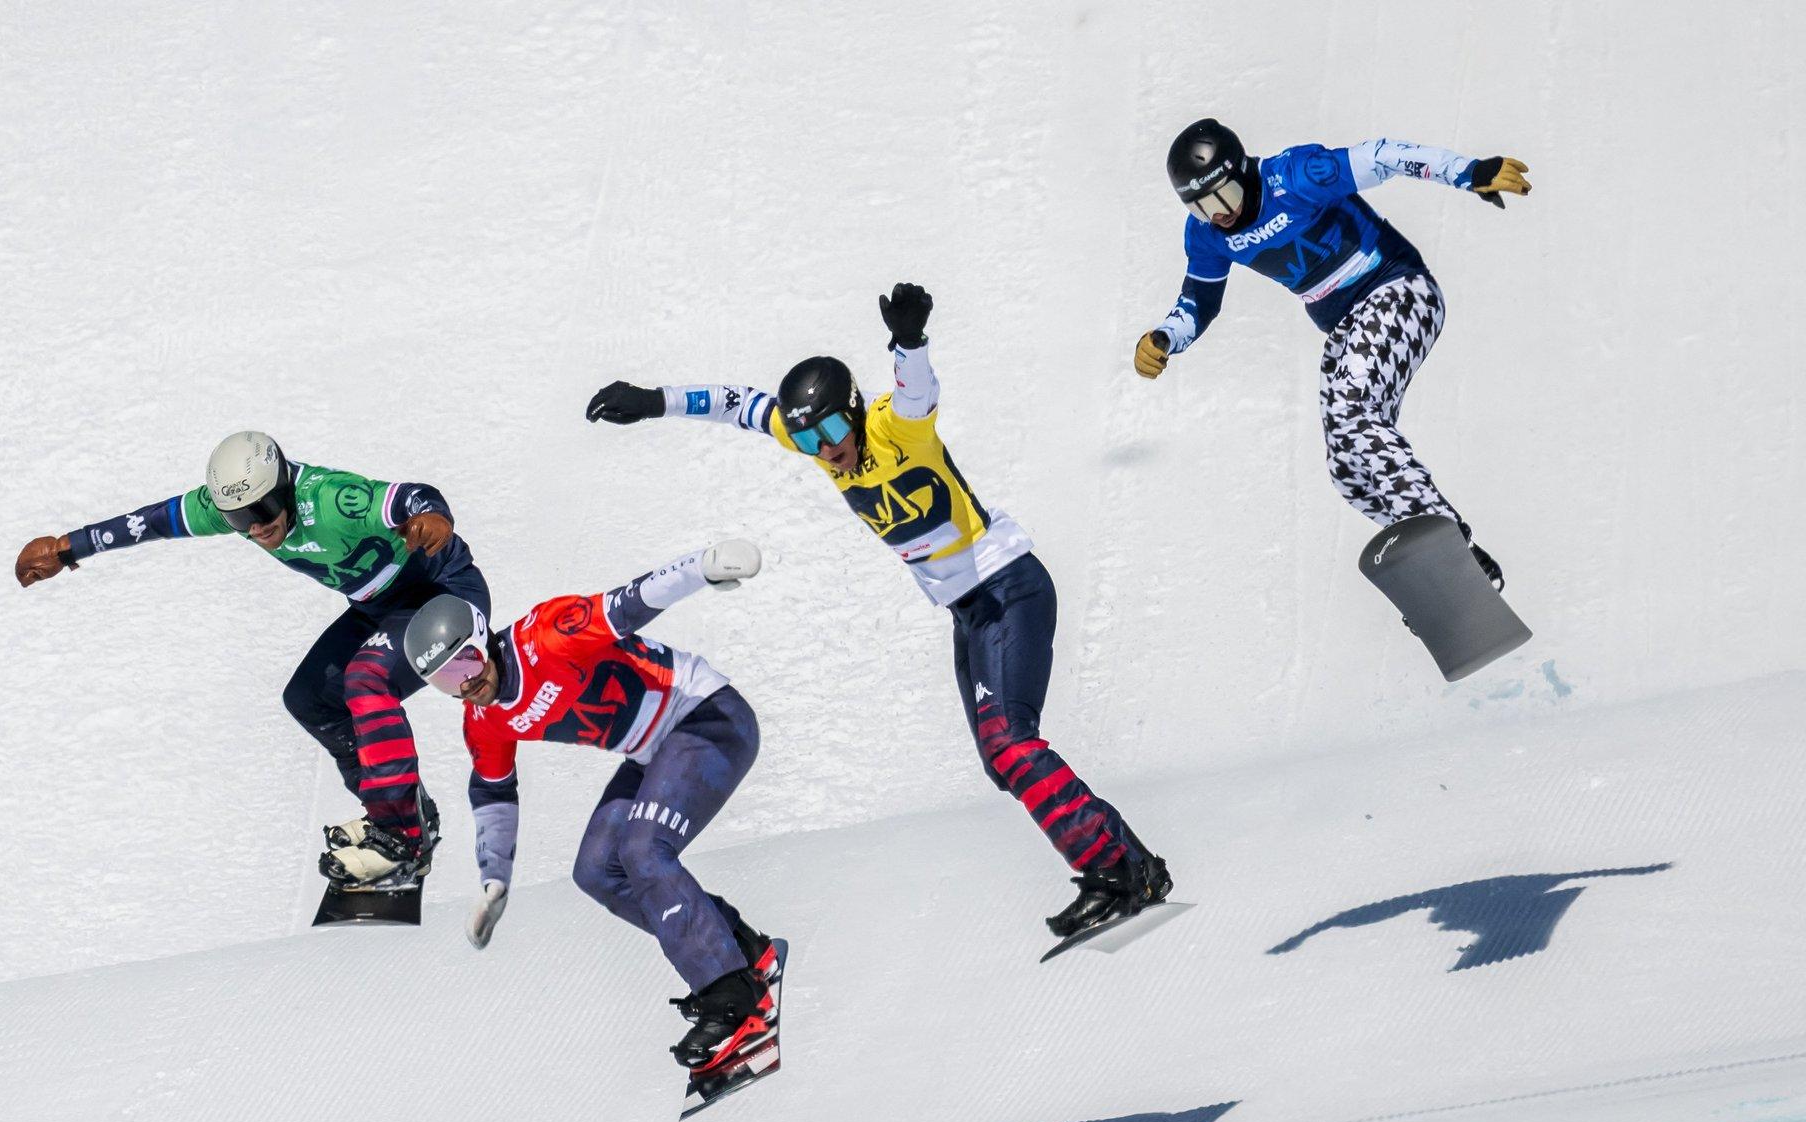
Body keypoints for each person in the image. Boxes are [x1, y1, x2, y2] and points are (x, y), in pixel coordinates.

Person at [584, 286, 1170, 939]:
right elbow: (740, 406)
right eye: (810, 441)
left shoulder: (896, 426)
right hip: (968, 608)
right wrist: (652, 402)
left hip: (1007, 584)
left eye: (835, 429)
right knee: (1000, 759)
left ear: (858, 412)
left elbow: (916, 390)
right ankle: (1122, 862)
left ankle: (1121, 869)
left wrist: (909, 340)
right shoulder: (815, 438)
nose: (829, 449)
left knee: (1012, 745)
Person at [14, 430, 489, 890]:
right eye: (240, 519)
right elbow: (152, 522)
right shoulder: (233, 512)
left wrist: (434, 516)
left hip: (445, 594)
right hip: (381, 607)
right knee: (310, 699)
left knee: (365, 681)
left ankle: (403, 838)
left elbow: (413, 496)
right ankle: (400, 811)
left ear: (284, 484)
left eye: (263, 509)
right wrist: (67, 547)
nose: (257, 527)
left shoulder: (330, 499)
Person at [403, 540, 781, 1072]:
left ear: (483, 639)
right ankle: (739, 950)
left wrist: (702, 567)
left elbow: (631, 602)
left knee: (644, 850)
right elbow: (493, 789)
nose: (466, 684)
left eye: (465, 660)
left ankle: (732, 997)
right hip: (654, 750)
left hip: (707, 715)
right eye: (444, 681)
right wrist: (495, 878)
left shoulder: (546, 635)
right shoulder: (484, 719)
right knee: (597, 871)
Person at [1133, 119, 1532, 587]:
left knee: (1354, 411)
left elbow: (1381, 156)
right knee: (1347, 467)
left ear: (1243, 173)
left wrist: (1467, 172)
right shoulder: (1206, 235)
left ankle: (1449, 544)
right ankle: (1446, 563)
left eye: (1224, 198)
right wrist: (1164, 336)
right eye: (1201, 207)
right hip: (1346, 326)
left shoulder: (1297, 176)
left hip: (1400, 291)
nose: (1218, 215)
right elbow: (1199, 302)